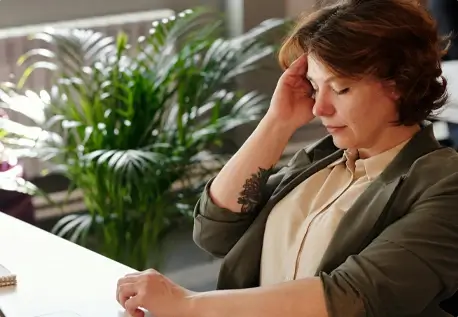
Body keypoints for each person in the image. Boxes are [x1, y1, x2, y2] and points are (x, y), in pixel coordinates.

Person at [116, 0, 458, 316]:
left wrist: (188, 304)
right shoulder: (321, 161)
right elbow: (214, 230)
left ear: (399, 82)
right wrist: (277, 122)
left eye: (340, 88)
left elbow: (354, 297)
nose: (319, 107)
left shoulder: (443, 184)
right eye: (313, 85)